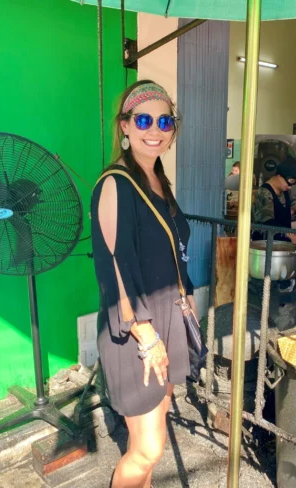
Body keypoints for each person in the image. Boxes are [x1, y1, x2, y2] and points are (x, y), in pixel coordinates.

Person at [91, 80, 196, 488]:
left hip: (167, 325)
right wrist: (146, 334)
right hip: (138, 332)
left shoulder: (158, 181)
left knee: (153, 436)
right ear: (125, 126)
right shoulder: (116, 183)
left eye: (165, 120)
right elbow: (116, 264)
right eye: (144, 119)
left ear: (173, 130)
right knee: (147, 449)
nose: (155, 129)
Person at [252, 157, 296, 243]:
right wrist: (290, 235)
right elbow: (268, 222)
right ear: (279, 176)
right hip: (265, 243)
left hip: (281, 242)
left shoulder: (285, 191)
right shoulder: (264, 193)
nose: (290, 187)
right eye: (290, 182)